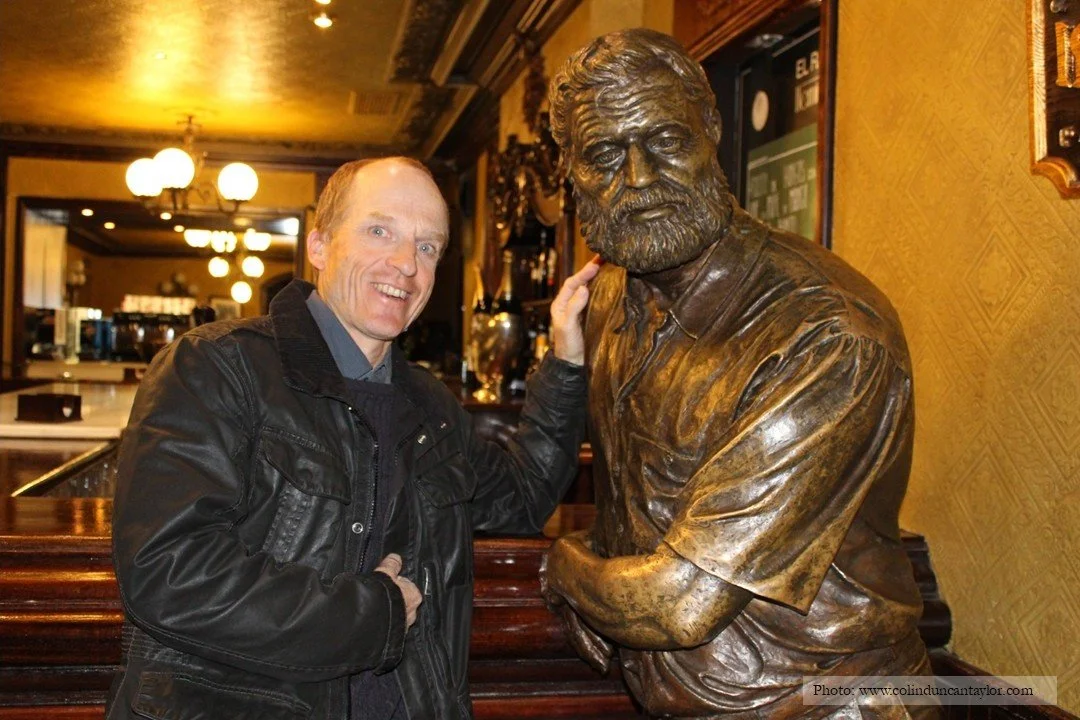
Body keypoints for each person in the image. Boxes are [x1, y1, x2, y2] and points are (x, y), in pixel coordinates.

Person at [107, 156, 599, 720]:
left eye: (427, 246)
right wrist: (371, 615)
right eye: (379, 230)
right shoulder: (217, 367)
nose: (405, 265)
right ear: (319, 245)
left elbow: (524, 494)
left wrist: (565, 357)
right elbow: (168, 570)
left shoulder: (431, 406)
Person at [540, 29, 937, 719]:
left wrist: (565, 565)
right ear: (571, 170)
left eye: (665, 140)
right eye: (604, 153)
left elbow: (678, 604)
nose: (637, 178)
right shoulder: (611, 296)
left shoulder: (823, 334)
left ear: (711, 130)